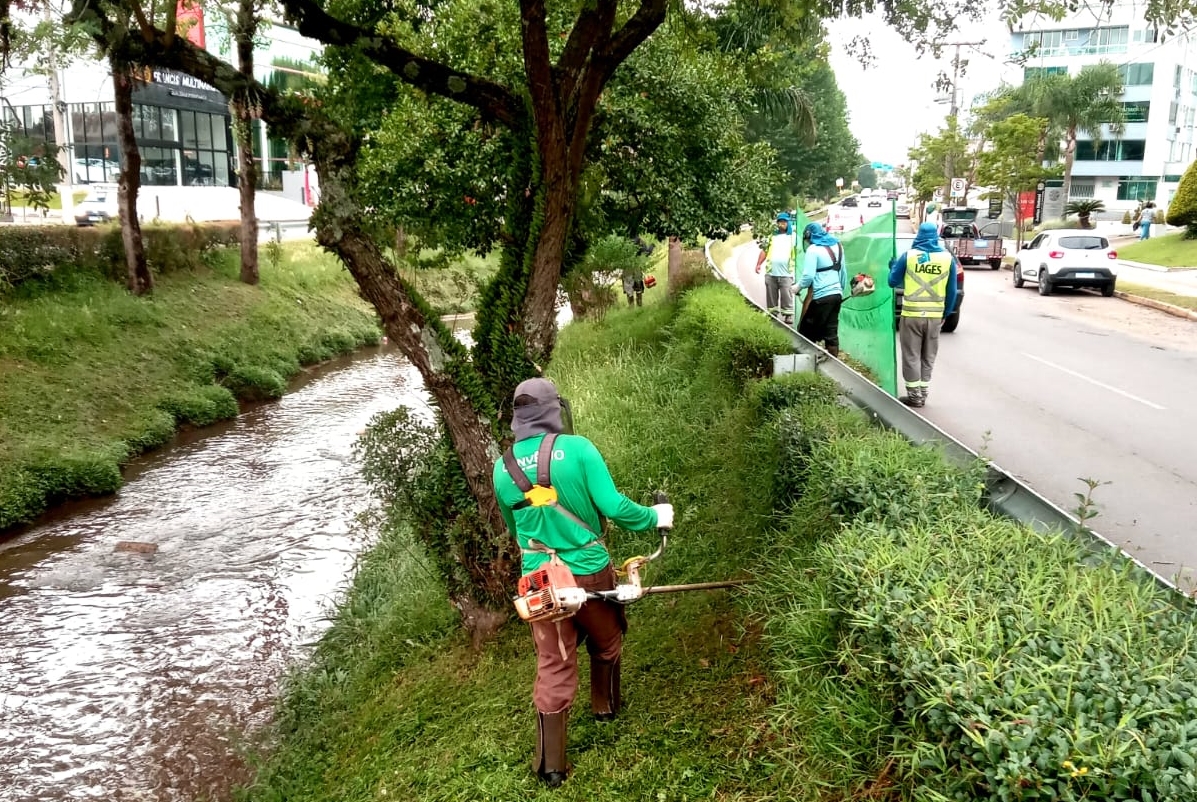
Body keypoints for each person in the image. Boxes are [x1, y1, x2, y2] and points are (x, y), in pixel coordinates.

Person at [492, 377, 674, 788]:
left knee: (553, 662)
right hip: (589, 567)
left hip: (540, 581)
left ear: (518, 417)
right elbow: (615, 507)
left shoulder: (501, 467)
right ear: (556, 409)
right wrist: (656, 516)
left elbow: (513, 528)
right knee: (607, 638)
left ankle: (551, 767)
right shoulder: (578, 449)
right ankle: (605, 706)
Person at [887, 222, 958, 408]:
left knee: (911, 355)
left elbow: (892, 282)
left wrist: (893, 266)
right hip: (935, 317)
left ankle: (914, 396)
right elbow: (952, 291)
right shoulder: (947, 259)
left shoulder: (908, 257)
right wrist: (946, 314)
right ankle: (924, 392)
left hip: (911, 314)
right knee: (928, 355)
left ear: (919, 235)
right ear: (936, 237)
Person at [796, 222, 850, 357]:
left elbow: (808, 276)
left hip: (821, 297)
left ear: (809, 235)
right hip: (836, 295)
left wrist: (796, 287)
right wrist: (839, 291)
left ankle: (807, 365)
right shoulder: (838, 246)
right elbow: (843, 272)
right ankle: (834, 366)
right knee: (831, 333)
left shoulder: (813, 250)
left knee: (806, 332)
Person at [754, 212, 797, 325]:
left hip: (786, 273)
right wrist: (758, 264)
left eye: (784, 222)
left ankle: (788, 315)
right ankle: (773, 313)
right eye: (780, 222)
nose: (782, 224)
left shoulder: (793, 237)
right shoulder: (772, 236)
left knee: (786, 294)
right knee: (771, 295)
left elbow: (801, 252)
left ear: (788, 223)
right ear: (777, 223)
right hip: (771, 271)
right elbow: (764, 250)